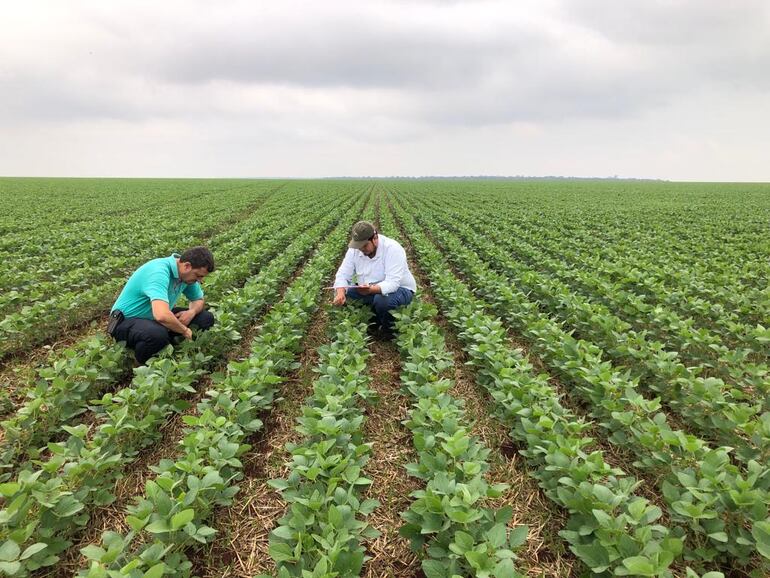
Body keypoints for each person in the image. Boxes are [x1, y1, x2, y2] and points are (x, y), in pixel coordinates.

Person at [108, 246, 216, 364]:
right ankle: (142, 363)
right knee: (157, 334)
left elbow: (198, 300)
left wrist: (191, 313)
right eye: (198, 276)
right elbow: (162, 316)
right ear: (187, 266)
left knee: (205, 318)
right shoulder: (158, 271)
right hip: (124, 322)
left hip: (154, 320)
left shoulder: (186, 276)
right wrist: (184, 330)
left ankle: (167, 348)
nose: (200, 280)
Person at [332, 221, 416, 339]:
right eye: (358, 246)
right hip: (368, 289)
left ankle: (388, 331)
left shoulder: (392, 248)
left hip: (400, 289)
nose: (361, 249)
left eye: (365, 245)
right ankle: (372, 320)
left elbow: (393, 283)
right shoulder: (355, 250)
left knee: (383, 300)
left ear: (375, 238)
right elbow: (343, 274)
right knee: (345, 293)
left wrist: (371, 290)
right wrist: (340, 293)